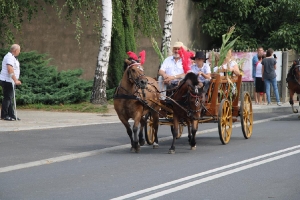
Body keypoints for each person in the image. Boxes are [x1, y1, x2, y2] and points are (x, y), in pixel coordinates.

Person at [0, 44, 22, 121]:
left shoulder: (12, 57)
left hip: (10, 81)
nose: (20, 52)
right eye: (19, 50)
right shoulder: (9, 57)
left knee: (10, 98)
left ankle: (11, 114)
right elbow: (10, 69)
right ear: (15, 50)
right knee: (7, 98)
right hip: (7, 80)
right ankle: (4, 115)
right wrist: (15, 80)